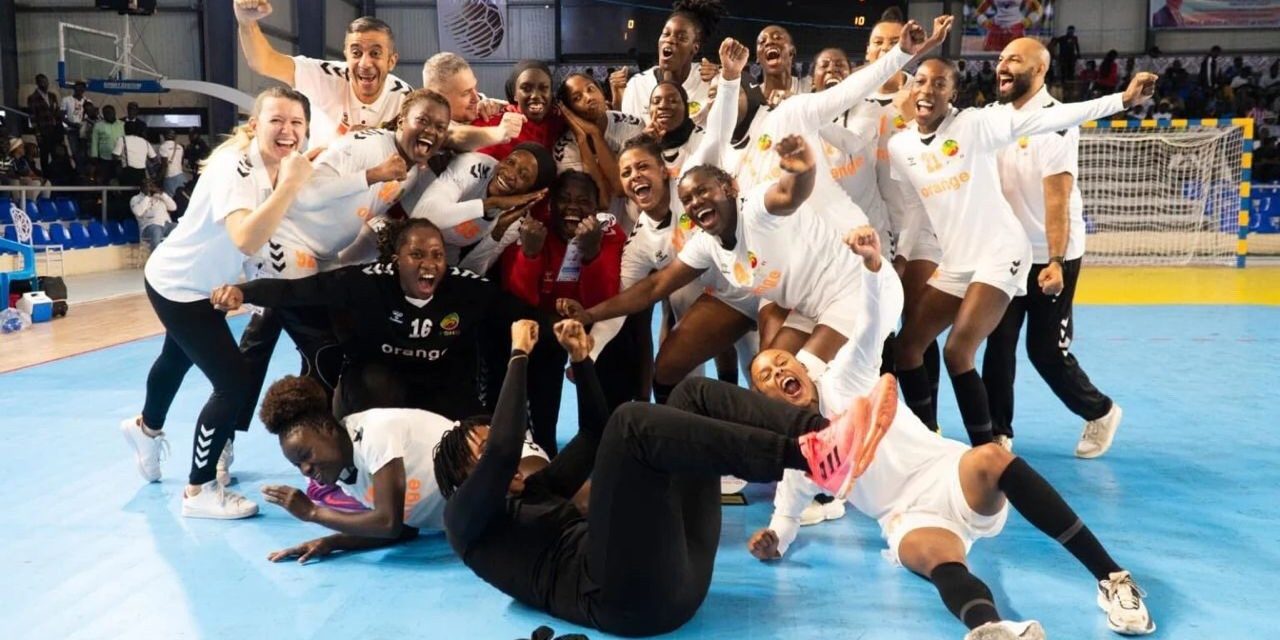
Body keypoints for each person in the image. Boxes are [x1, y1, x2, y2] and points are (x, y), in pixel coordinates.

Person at [741, 227, 1156, 638]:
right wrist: (773, 540)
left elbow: (870, 325)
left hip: (948, 474)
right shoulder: (799, 453)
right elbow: (786, 517)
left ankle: (1114, 579)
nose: (778, 370)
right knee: (936, 558)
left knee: (992, 457)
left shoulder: (845, 379)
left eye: (781, 361)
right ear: (766, 398)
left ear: (799, 365)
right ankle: (990, 629)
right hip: (905, 517)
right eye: (765, 376)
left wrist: (872, 267)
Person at [433, 318, 894, 637]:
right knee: (633, 423)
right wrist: (518, 355)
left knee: (690, 393)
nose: (513, 464)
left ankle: (822, 435)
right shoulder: (465, 525)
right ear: (462, 478)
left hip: (679, 567)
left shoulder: (535, 491)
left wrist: (581, 360)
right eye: (486, 455)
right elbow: (503, 450)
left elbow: (594, 431)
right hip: (630, 603)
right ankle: (804, 456)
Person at [887, 57, 1158, 447]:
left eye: (940, 83)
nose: (928, 90)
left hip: (1001, 252)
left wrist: (1123, 100)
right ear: (911, 92)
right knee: (909, 346)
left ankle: (987, 451)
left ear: (953, 93)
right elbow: (912, 207)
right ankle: (926, 440)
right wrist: (902, 254)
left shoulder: (975, 125)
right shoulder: (901, 146)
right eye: (922, 82)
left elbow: (1051, 118)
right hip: (958, 259)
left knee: (958, 351)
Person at [119, 86, 314, 519]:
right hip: (181, 285)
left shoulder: (272, 166)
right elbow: (246, 235)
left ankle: (145, 429)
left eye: (296, 123)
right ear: (254, 125)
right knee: (234, 382)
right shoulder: (238, 165)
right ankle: (199, 488)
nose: (287, 131)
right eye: (277, 121)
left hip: (198, 284)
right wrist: (292, 185)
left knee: (175, 359)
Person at [984, 37, 1124, 456]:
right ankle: (997, 433)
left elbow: (1057, 199)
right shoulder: (992, 117)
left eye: (1015, 59)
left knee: (1045, 351)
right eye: (1001, 59)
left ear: (1040, 70)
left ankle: (1100, 411)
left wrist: (1057, 261)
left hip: (1051, 252)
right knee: (998, 342)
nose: (1003, 66)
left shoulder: (1058, 121)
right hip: (1007, 252)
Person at [499, 171, 624, 453]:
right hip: (541, 324)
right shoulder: (532, 228)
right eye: (565, 199)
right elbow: (519, 301)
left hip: (591, 319)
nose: (573, 207)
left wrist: (592, 252)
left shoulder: (611, 235)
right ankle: (542, 443)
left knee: (628, 329)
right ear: (551, 205)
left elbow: (605, 301)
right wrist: (529, 256)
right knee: (547, 341)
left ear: (596, 209)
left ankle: (612, 443)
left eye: (583, 201)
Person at [235, 1, 412, 147]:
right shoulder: (326, 77)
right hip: (323, 183)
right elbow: (264, 62)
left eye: (375, 53)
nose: (365, 63)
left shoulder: (404, 99)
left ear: (391, 61)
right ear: (346, 56)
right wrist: (246, 22)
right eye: (356, 53)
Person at [615, 0, 727, 128]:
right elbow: (629, 139)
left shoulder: (709, 81)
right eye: (666, 34)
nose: (670, 40)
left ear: (695, 48)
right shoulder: (637, 86)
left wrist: (724, 81)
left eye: (681, 37)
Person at [130, 177, 177, 252]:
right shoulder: (136, 199)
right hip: (149, 227)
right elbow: (138, 212)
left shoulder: (160, 196)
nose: (150, 187)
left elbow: (173, 207)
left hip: (166, 224)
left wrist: (162, 194)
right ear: (141, 187)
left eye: (151, 185)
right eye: (147, 185)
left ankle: (175, 256)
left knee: (179, 228)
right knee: (156, 230)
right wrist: (147, 196)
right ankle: (156, 260)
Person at [26, 73, 62, 172]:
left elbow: (56, 110)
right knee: (44, 154)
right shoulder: (33, 98)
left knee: (56, 153)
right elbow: (33, 117)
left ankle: (57, 173)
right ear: (38, 83)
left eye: (46, 81)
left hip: (54, 128)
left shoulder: (52, 96)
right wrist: (37, 133)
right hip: (43, 129)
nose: (45, 84)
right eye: (43, 82)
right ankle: (46, 174)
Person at [113, 120, 155, 188]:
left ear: (125, 129)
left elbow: (115, 156)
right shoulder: (144, 141)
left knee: (128, 194)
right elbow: (153, 158)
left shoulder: (122, 139)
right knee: (140, 194)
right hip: (142, 172)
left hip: (128, 172)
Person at [90, 105, 124, 184]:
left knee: (119, 180)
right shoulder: (98, 126)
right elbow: (94, 142)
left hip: (119, 159)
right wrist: (94, 156)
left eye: (110, 112)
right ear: (103, 114)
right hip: (104, 158)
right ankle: (106, 196)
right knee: (105, 180)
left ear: (114, 112)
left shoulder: (122, 124)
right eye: (105, 113)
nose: (108, 114)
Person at [61, 80, 90, 167]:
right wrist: (71, 124)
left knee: (84, 152)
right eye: (78, 86)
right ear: (74, 88)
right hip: (71, 129)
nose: (80, 89)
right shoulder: (66, 100)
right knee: (74, 151)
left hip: (84, 130)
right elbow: (62, 115)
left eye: (82, 87)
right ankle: (78, 170)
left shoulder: (87, 101)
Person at [157, 130, 188, 196]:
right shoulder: (180, 147)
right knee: (181, 198)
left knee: (171, 201)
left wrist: (159, 180)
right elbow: (181, 163)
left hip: (170, 177)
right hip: (181, 176)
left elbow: (164, 166)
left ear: (164, 136)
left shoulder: (163, 147)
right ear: (175, 137)